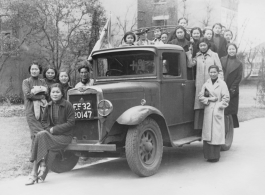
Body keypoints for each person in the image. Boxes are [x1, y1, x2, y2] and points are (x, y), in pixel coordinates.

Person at [26, 83, 75, 185]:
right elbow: (44, 122)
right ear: (50, 94)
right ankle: (40, 171)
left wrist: (53, 130)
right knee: (41, 136)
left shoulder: (68, 105)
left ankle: (34, 172)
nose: (55, 94)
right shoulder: (49, 105)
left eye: (58, 92)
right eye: (53, 92)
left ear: (62, 94)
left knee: (40, 135)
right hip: (53, 136)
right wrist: (49, 130)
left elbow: (71, 123)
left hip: (65, 136)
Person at [199, 65, 230, 162]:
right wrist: (208, 99)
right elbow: (200, 96)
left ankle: (215, 156)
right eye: (211, 72)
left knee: (216, 134)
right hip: (208, 110)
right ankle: (208, 156)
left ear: (218, 73)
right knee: (208, 134)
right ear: (209, 73)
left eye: (214, 72)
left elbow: (226, 98)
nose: (212, 74)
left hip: (217, 110)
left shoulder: (222, 84)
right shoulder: (206, 84)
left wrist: (219, 106)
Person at [192, 38, 223, 130]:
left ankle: (212, 128)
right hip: (200, 85)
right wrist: (189, 53)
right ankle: (200, 129)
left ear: (208, 45)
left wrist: (219, 83)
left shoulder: (214, 55)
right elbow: (190, 65)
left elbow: (220, 70)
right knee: (201, 103)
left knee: (210, 104)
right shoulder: (197, 56)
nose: (202, 47)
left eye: (204, 45)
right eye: (200, 45)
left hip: (211, 85)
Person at [22, 61, 48, 149]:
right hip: (31, 110)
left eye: (36, 69)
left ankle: (35, 155)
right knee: (36, 132)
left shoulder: (43, 81)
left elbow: (46, 93)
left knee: (41, 131)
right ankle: (38, 156)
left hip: (42, 110)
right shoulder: (26, 82)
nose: (34, 71)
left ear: (39, 70)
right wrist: (40, 96)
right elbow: (28, 95)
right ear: (30, 70)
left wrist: (35, 93)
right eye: (32, 69)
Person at [220, 43, 243, 128]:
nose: (231, 51)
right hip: (222, 86)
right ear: (227, 50)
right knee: (222, 109)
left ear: (236, 50)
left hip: (232, 89)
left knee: (230, 110)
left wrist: (232, 88)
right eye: (230, 49)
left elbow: (239, 77)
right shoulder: (222, 59)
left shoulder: (239, 63)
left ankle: (230, 129)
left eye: (233, 49)